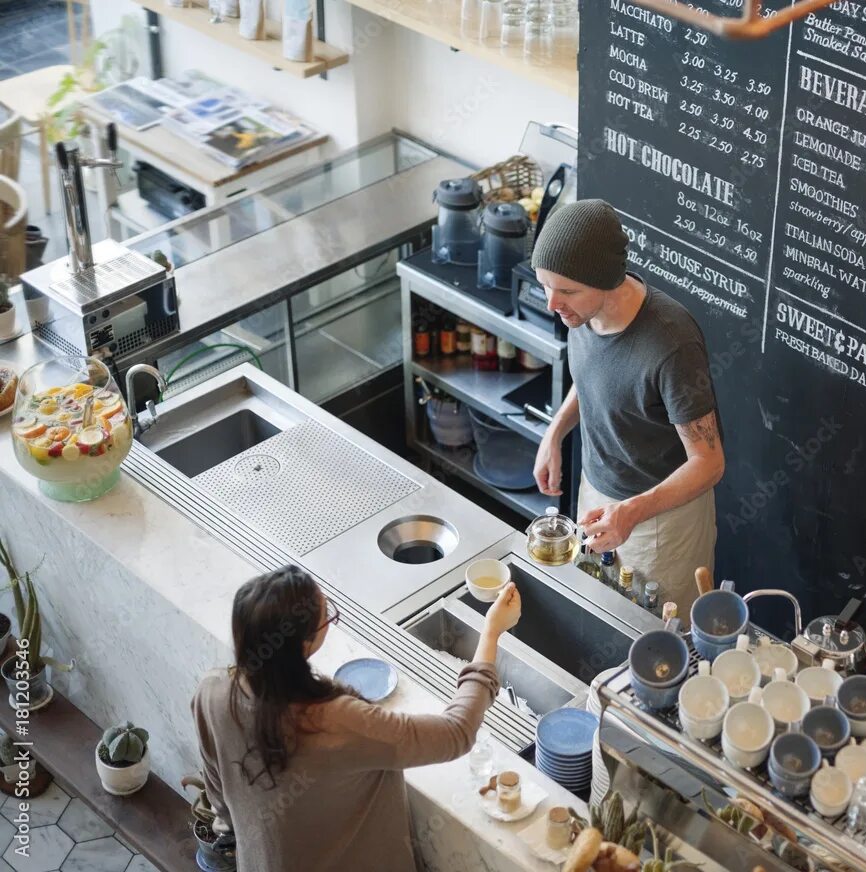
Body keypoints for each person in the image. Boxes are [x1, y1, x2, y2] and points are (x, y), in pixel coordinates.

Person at [191, 565, 521, 872]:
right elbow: (456, 732)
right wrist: (491, 633)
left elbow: (220, 795)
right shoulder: (337, 722)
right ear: (304, 644)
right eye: (327, 616)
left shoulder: (213, 692)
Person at [531, 199, 724, 620]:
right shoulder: (581, 315)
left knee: (656, 642)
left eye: (566, 290)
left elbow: (709, 463)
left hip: (658, 525)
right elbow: (596, 378)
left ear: (605, 281)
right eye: (546, 285)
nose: (552, 303)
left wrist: (631, 512)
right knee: (597, 617)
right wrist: (555, 432)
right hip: (596, 497)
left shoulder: (672, 344)